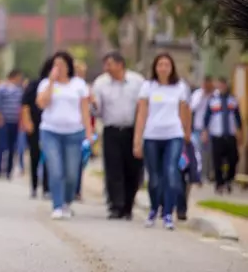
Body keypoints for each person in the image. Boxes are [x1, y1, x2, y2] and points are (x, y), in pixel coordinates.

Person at [133, 52, 191, 231]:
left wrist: (186, 133)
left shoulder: (180, 87)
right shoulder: (148, 86)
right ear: (155, 67)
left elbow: (184, 112)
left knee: (171, 174)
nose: (163, 68)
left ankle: (168, 213)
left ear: (172, 67)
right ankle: (153, 209)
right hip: (152, 136)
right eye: (160, 65)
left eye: (167, 64)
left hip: (173, 134)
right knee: (155, 178)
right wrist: (137, 139)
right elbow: (142, 113)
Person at [36, 51, 94, 220]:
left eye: (62, 65)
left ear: (69, 67)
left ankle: (67, 201)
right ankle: (57, 204)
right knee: (55, 169)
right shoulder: (46, 84)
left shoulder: (78, 85)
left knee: (71, 173)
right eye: (56, 65)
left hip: (74, 133)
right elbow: (41, 103)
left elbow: (84, 109)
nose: (59, 68)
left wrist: (88, 132)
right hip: (50, 131)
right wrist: (52, 82)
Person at [91, 51, 144, 220]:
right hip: (111, 130)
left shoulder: (137, 82)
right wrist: (92, 105)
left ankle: (128, 205)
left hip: (132, 130)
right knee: (113, 169)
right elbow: (96, 109)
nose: (106, 68)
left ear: (120, 65)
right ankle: (115, 205)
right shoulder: (101, 83)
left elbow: (144, 105)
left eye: (109, 64)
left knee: (133, 169)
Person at [202, 76, 243, 195]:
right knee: (217, 160)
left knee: (234, 158)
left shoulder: (232, 100)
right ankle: (219, 183)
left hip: (230, 134)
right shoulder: (213, 100)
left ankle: (228, 179)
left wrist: (240, 131)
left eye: (223, 85)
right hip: (217, 134)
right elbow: (207, 117)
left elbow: (237, 117)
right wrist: (205, 131)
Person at [22, 58, 50, 198]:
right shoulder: (35, 84)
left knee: (49, 157)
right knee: (35, 155)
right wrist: (27, 122)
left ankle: (46, 187)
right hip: (35, 124)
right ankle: (34, 185)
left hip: (51, 126)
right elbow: (25, 104)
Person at [0, 69, 24, 180]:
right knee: (2, 145)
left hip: (14, 121)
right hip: (4, 121)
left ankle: (9, 170)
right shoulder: (2, 89)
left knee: (12, 146)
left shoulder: (19, 90)